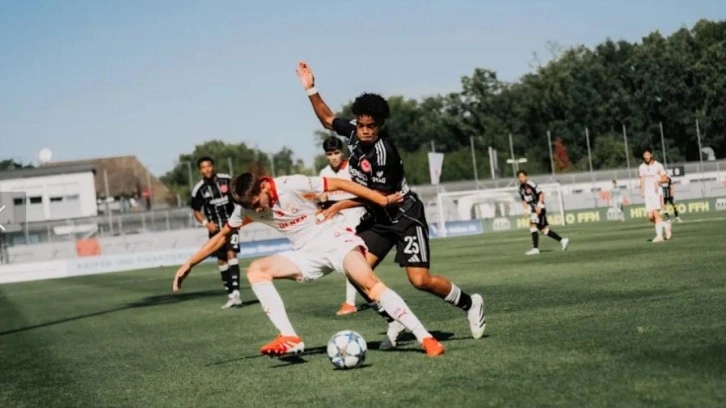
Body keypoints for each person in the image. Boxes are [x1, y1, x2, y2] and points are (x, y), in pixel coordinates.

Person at [296, 61, 485, 349]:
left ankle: (470, 303)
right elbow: (327, 118)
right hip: (378, 218)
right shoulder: (353, 133)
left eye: (371, 126)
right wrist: (311, 89)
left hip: (404, 215)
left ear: (381, 126)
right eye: (361, 125)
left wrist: (338, 205)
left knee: (419, 280)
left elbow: (378, 196)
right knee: (356, 273)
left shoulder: (385, 153)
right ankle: (393, 319)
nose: (364, 131)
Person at [173, 173, 445, 358]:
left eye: (258, 203)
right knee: (256, 270)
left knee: (369, 283)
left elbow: (340, 184)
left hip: (334, 238)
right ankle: (290, 337)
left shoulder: (291, 184)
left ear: (264, 186)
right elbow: (222, 235)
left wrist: (381, 200)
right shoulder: (246, 208)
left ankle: (425, 338)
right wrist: (189, 263)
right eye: (252, 208)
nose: (257, 210)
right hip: (305, 253)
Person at [318, 136, 365, 316]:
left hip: (355, 216)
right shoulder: (324, 173)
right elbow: (322, 196)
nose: (334, 157)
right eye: (330, 154)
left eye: (336, 153)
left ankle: (350, 303)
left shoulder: (352, 169)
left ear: (342, 152)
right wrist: (321, 198)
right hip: (336, 221)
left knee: (350, 258)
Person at [190, 157, 242, 308]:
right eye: (203, 167)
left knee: (231, 253)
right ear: (200, 170)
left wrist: (239, 217)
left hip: (230, 225)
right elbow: (196, 211)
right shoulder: (199, 189)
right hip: (215, 230)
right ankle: (230, 295)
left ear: (213, 167)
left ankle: (237, 293)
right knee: (221, 261)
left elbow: (238, 197)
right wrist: (206, 224)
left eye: (209, 166)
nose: (207, 169)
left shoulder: (226, 180)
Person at [517, 170, 570, 255]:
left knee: (532, 225)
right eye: (519, 177)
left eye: (523, 176)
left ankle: (535, 249)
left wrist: (539, 205)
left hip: (540, 208)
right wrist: (525, 210)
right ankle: (562, 240)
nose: (521, 178)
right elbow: (524, 201)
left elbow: (541, 194)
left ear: (526, 177)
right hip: (534, 209)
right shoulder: (520, 189)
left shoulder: (531, 184)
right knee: (543, 230)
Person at [639, 149, 671, 241]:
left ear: (651, 155)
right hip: (647, 194)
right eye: (645, 155)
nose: (646, 157)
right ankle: (665, 225)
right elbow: (642, 179)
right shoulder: (641, 167)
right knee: (650, 217)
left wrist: (659, 181)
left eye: (648, 154)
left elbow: (666, 179)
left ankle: (659, 236)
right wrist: (641, 190)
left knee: (656, 214)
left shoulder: (658, 165)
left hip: (657, 193)